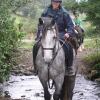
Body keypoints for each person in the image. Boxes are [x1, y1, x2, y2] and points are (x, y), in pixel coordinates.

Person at [33, 0, 76, 75]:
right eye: (54, 2)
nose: (55, 3)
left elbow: (70, 25)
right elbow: (40, 24)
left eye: (57, 2)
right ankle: (35, 67)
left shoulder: (64, 13)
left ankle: (69, 67)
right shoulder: (45, 12)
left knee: (68, 46)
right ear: (51, 2)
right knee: (35, 46)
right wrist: (40, 33)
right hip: (47, 33)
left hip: (60, 33)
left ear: (60, 3)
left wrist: (68, 33)